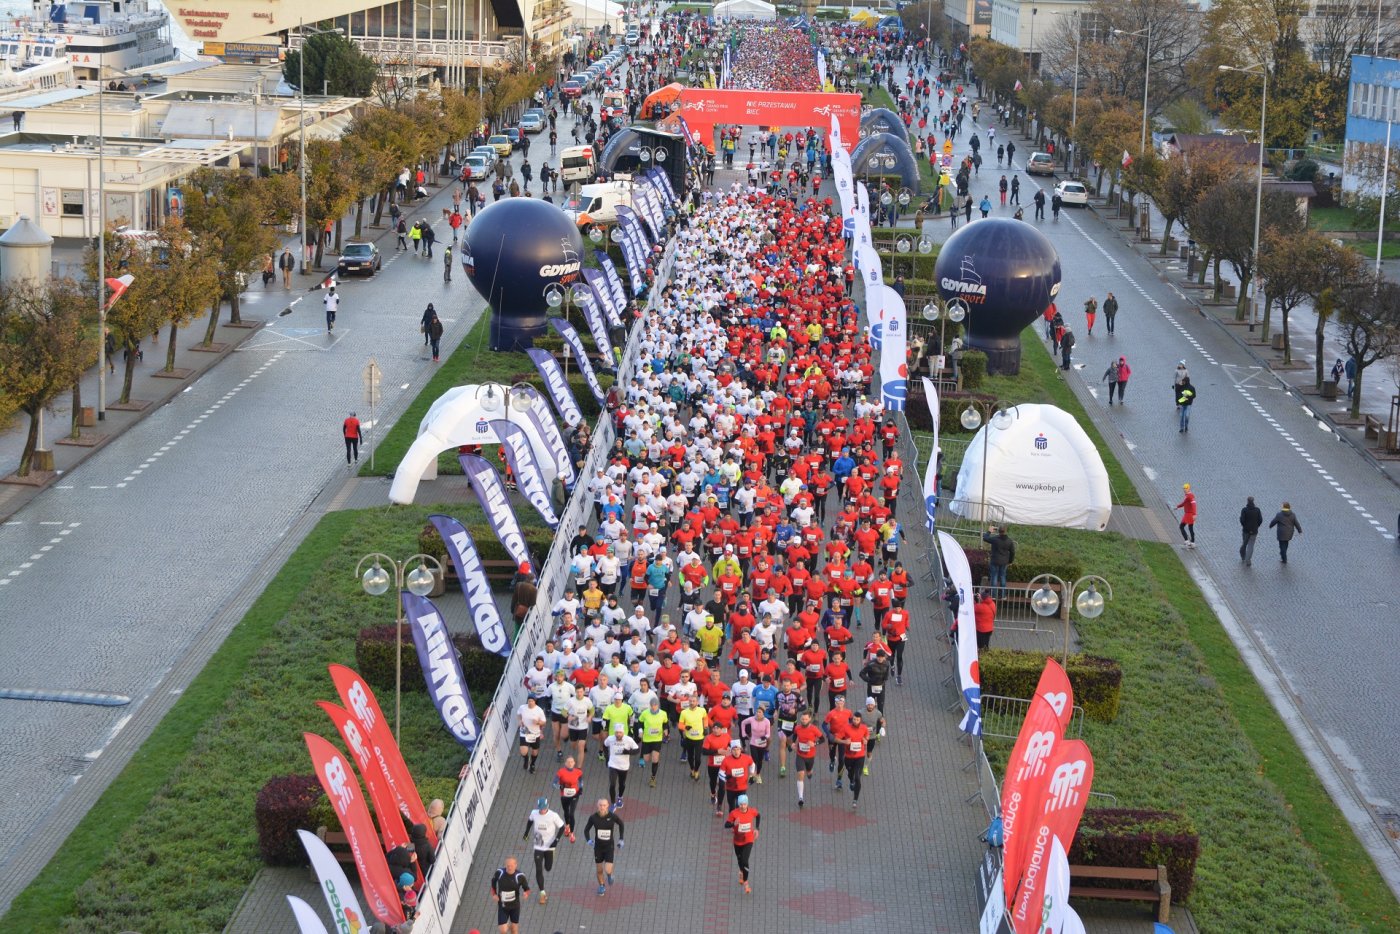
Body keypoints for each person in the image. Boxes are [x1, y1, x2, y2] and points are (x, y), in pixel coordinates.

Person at [522, 796, 565, 905]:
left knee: (548, 868)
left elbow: (562, 827)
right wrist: (526, 832)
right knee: (538, 869)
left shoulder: (553, 815)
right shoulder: (534, 813)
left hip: (550, 845)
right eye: (540, 808)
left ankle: (550, 858)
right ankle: (542, 892)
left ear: (547, 806)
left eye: (544, 808)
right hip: (538, 845)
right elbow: (530, 821)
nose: (542, 810)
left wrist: (556, 840)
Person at [583, 797, 625, 896]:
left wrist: (621, 839)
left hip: (609, 847)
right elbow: (586, 830)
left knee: (607, 869)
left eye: (604, 805)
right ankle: (602, 886)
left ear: (607, 806)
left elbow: (621, 824)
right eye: (600, 805)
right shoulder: (593, 817)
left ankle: (609, 875)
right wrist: (588, 840)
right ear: (598, 806)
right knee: (599, 869)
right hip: (598, 847)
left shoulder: (612, 816)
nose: (602, 807)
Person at [724, 794, 760, 894]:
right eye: (740, 805)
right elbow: (726, 825)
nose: (742, 806)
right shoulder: (734, 813)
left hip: (749, 840)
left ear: (747, 804)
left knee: (745, 860)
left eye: (744, 804)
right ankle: (741, 871)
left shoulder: (752, 811)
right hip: (737, 841)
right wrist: (733, 824)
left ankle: (746, 882)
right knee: (740, 860)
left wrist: (757, 828)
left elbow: (758, 816)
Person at [490, 856, 530, 934]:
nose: (509, 867)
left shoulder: (520, 876)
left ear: (516, 865)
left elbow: (527, 889)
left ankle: (512, 926)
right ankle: (507, 926)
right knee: (503, 930)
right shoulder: (499, 872)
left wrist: (526, 894)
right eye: (508, 865)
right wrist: (494, 894)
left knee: (514, 930)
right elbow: (493, 882)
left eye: (511, 865)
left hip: (515, 906)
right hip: (503, 906)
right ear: (505, 865)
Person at [604, 722, 639, 808]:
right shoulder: (610, 739)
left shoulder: (628, 740)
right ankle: (612, 803)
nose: (618, 735)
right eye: (616, 733)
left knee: (622, 783)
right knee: (612, 784)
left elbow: (637, 750)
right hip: (613, 764)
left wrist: (628, 752)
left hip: (624, 766)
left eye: (620, 733)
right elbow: (604, 745)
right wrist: (607, 758)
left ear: (623, 733)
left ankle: (620, 797)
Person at [517, 695, 548, 773]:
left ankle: (532, 764)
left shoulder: (539, 710)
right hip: (524, 732)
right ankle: (526, 759)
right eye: (529, 701)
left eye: (532, 701)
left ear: (535, 701)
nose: (530, 703)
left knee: (534, 751)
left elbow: (544, 722)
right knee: (523, 751)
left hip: (534, 734)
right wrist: (520, 720)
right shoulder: (522, 707)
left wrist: (538, 722)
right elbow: (518, 715)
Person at [981, 525, 1015, 591]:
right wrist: (1010, 561)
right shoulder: (1009, 541)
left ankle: (993, 595)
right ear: (1006, 531)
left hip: (995, 561)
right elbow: (1012, 552)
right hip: (1004, 562)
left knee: (994, 577)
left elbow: (985, 538)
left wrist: (989, 531)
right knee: (1003, 577)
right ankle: (1003, 596)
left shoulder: (995, 539)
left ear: (998, 531)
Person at [1239, 495, 1264, 566]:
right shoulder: (1257, 510)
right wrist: (1256, 526)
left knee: (1244, 543)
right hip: (1254, 531)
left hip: (1246, 531)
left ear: (1247, 501)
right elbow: (1260, 520)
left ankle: (1243, 556)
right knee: (1251, 545)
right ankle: (1248, 560)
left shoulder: (1244, 510)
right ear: (1253, 501)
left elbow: (1242, 520)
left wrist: (1244, 526)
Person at [1176, 483, 1197, 549]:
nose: (1184, 490)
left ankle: (1188, 542)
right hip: (1188, 514)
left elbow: (1194, 505)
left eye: (1185, 488)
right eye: (1184, 488)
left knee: (1182, 527)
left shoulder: (1189, 496)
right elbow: (1184, 503)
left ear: (1188, 488)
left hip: (1189, 514)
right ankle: (1191, 542)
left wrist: (1194, 514)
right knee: (1189, 528)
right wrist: (1178, 506)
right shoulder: (1188, 495)